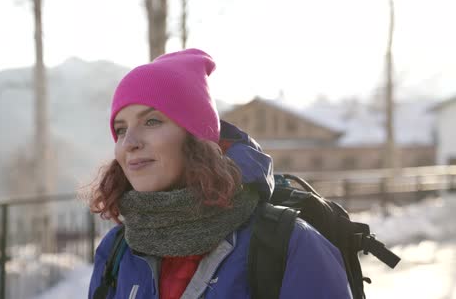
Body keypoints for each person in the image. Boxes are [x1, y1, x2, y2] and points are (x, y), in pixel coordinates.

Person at [87, 49, 351, 299]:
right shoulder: (116, 250)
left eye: (152, 121)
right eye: (120, 129)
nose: (129, 142)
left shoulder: (290, 246)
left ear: (196, 138)